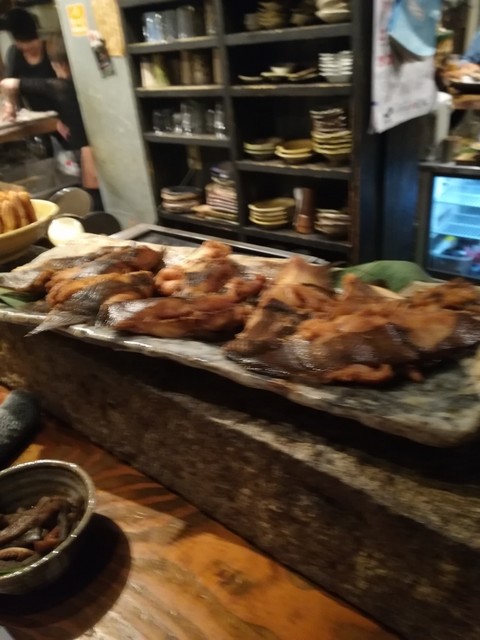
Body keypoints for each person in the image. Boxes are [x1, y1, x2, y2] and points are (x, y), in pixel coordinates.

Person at [1, 34, 102, 210]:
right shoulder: (89, 82)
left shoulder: (63, 87)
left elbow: (8, 84)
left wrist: (9, 104)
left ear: (61, 65)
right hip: (102, 150)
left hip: (90, 156)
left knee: (95, 203)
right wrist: (59, 121)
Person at [3, 8, 56, 113]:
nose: (24, 48)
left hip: (59, 113)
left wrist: (20, 83)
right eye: (19, 43)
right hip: (34, 114)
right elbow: (8, 84)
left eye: (29, 43)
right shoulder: (15, 52)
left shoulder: (51, 49)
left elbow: (61, 86)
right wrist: (9, 103)